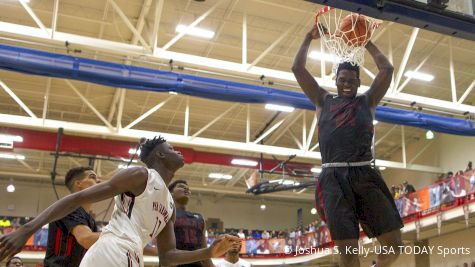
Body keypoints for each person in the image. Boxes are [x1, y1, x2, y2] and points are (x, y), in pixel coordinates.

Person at [0, 136, 239, 266]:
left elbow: (167, 257)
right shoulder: (140, 175)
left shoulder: (169, 205)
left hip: (133, 256)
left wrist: (207, 251)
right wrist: (27, 229)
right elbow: (78, 198)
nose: (179, 152)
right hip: (113, 249)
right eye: (172, 148)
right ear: (161, 154)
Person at [292, 24, 403, 267]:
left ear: (358, 82)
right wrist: (307, 38)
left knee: (394, 244)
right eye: (342, 80)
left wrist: (367, 42)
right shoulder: (322, 100)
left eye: (351, 81)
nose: (346, 84)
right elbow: (297, 68)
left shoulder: (368, 100)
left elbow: (387, 68)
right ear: (335, 80)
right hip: (333, 177)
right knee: (348, 253)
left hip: (365, 173)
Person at [44, 166, 100, 267]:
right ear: (79, 184)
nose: (99, 181)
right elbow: (86, 239)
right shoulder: (68, 208)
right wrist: (118, 233)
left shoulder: (90, 220)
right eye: (92, 177)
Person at [169, 179, 212, 267]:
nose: (186, 189)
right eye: (181, 186)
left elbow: (204, 250)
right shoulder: (166, 214)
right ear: (171, 193)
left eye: (187, 188)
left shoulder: (199, 217)